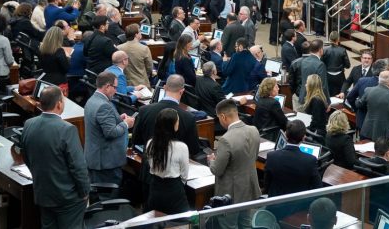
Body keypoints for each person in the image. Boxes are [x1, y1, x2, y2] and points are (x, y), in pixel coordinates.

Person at [20, 86, 90, 229]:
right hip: (68, 199)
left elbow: (26, 156)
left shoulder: (29, 124)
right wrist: (84, 192)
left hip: (43, 193)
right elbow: (77, 166)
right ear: (59, 104)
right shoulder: (67, 129)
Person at [209, 99, 261, 229]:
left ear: (223, 116)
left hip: (231, 194)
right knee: (246, 225)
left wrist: (211, 160)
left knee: (229, 226)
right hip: (249, 188)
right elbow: (253, 157)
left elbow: (217, 170)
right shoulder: (254, 130)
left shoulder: (225, 139)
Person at [131, 75, 201, 157]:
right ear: (182, 91)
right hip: (174, 165)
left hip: (148, 163)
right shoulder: (189, 118)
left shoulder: (144, 110)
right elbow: (194, 149)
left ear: (164, 87)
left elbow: (136, 140)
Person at [84, 71, 134, 185]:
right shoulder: (103, 105)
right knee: (107, 198)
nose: (116, 91)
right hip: (105, 163)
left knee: (98, 197)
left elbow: (99, 123)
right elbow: (110, 132)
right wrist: (126, 124)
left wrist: (118, 119)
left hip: (96, 158)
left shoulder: (92, 100)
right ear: (107, 86)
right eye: (115, 87)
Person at [145, 108, 190, 214]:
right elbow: (184, 175)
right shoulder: (181, 147)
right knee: (181, 222)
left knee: (156, 220)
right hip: (173, 189)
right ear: (173, 125)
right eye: (177, 121)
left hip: (155, 187)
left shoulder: (150, 143)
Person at [264, 119, 322, 199]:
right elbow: (318, 187)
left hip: (274, 205)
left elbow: (266, 184)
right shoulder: (310, 160)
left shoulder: (271, 156)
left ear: (285, 135)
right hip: (299, 208)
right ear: (303, 138)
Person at [117, 23, 153, 88]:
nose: (141, 33)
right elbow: (149, 68)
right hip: (142, 84)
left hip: (125, 84)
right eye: (140, 31)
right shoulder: (144, 48)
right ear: (136, 35)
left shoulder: (119, 48)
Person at [39, 26, 71, 92]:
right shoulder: (59, 51)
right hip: (59, 83)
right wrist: (68, 58)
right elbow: (66, 69)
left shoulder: (42, 49)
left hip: (45, 80)